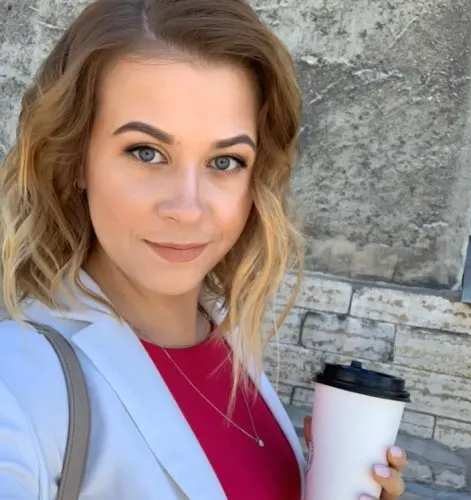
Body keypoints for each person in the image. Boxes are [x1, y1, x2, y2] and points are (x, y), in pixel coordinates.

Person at [0, 0, 407, 498]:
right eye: (146, 152)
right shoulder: (19, 383)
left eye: (226, 161)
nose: (188, 209)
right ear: (77, 160)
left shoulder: (229, 340)